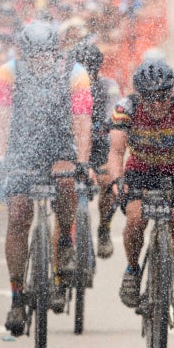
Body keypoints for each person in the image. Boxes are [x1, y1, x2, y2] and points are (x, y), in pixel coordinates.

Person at [0, 21, 94, 337]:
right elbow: (2, 120)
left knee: (66, 182)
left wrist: (82, 160)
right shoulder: (8, 73)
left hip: (60, 143)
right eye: (34, 54)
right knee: (19, 215)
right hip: (22, 147)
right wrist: (0, 160)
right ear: (24, 53)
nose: (40, 60)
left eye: (46, 54)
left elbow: (82, 121)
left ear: (56, 51)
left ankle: (64, 238)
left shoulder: (75, 73)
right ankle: (16, 296)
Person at [108, 59, 174, 330]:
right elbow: (117, 151)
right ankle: (132, 270)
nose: (156, 105)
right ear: (138, 95)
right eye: (149, 98)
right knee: (135, 219)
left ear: (172, 92)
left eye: (163, 97)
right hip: (139, 171)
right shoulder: (126, 108)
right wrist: (117, 180)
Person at [72, 43, 121, 258]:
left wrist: (104, 125)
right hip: (74, 146)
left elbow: (114, 111)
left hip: (99, 144)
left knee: (109, 181)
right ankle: (65, 239)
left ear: (98, 68)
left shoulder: (108, 85)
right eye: (82, 66)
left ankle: (104, 228)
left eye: (91, 66)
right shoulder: (67, 86)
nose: (86, 71)